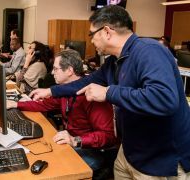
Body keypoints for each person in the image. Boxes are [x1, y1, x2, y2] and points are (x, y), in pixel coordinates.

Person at [30, 5, 190, 179]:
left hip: (159, 159)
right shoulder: (114, 61)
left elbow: (164, 99)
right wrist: (51, 91)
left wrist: (108, 92)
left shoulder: (149, 51)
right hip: (129, 151)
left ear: (106, 31)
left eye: (92, 35)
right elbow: (85, 83)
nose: (91, 41)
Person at [8, 49, 117, 178]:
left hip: (93, 149)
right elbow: (44, 105)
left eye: (56, 69)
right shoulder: (63, 91)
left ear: (70, 71)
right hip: (72, 142)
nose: (52, 73)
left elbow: (109, 136)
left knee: (55, 169)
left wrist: (75, 140)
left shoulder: (92, 95)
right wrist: (16, 104)